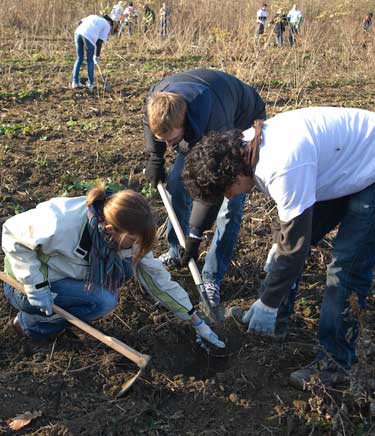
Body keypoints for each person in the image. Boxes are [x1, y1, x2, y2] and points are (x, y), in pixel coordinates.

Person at [183, 106, 375, 389]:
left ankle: (335, 366)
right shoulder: (248, 149)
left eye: (226, 191)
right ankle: (277, 321)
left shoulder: (282, 163)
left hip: (369, 167)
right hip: (341, 164)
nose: (230, 196)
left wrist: (269, 299)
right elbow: (290, 221)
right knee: (285, 249)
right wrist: (282, 247)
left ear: (234, 175)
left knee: (345, 269)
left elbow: (294, 247)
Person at [2, 183, 224, 349]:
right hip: (23, 284)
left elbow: (157, 279)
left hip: (64, 277)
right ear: (109, 230)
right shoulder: (62, 221)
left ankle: (49, 317)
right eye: (132, 241)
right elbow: (11, 233)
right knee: (103, 301)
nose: (135, 247)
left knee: (111, 287)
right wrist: (36, 286)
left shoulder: (125, 232)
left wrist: (195, 320)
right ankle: (29, 325)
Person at [143, 68, 266, 308]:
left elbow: (213, 187)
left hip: (241, 121)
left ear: (184, 122)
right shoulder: (156, 100)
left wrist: (196, 235)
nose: (168, 146)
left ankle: (212, 277)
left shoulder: (215, 123)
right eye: (163, 141)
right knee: (178, 179)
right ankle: (176, 249)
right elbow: (152, 129)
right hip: (201, 123)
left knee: (230, 206)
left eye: (171, 140)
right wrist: (155, 158)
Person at [72, 14, 113, 90]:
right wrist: (97, 56)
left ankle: (75, 82)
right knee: (90, 60)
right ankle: (90, 84)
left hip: (78, 33)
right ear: (109, 22)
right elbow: (99, 42)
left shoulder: (92, 16)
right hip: (89, 37)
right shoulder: (107, 25)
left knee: (79, 58)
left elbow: (80, 22)